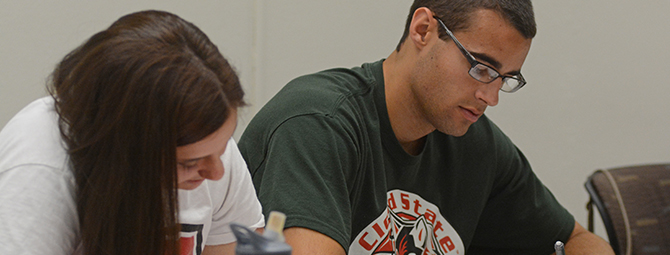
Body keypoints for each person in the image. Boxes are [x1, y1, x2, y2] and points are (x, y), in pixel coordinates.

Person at [238, 1, 615, 254]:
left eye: (505, 78)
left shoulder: (474, 142)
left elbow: (578, 240)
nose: (491, 97)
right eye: (481, 68)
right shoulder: (318, 123)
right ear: (422, 30)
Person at [0, 10, 264, 255]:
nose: (216, 173)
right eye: (189, 163)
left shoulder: (207, 144)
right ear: (125, 147)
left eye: (222, 149)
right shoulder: (41, 167)